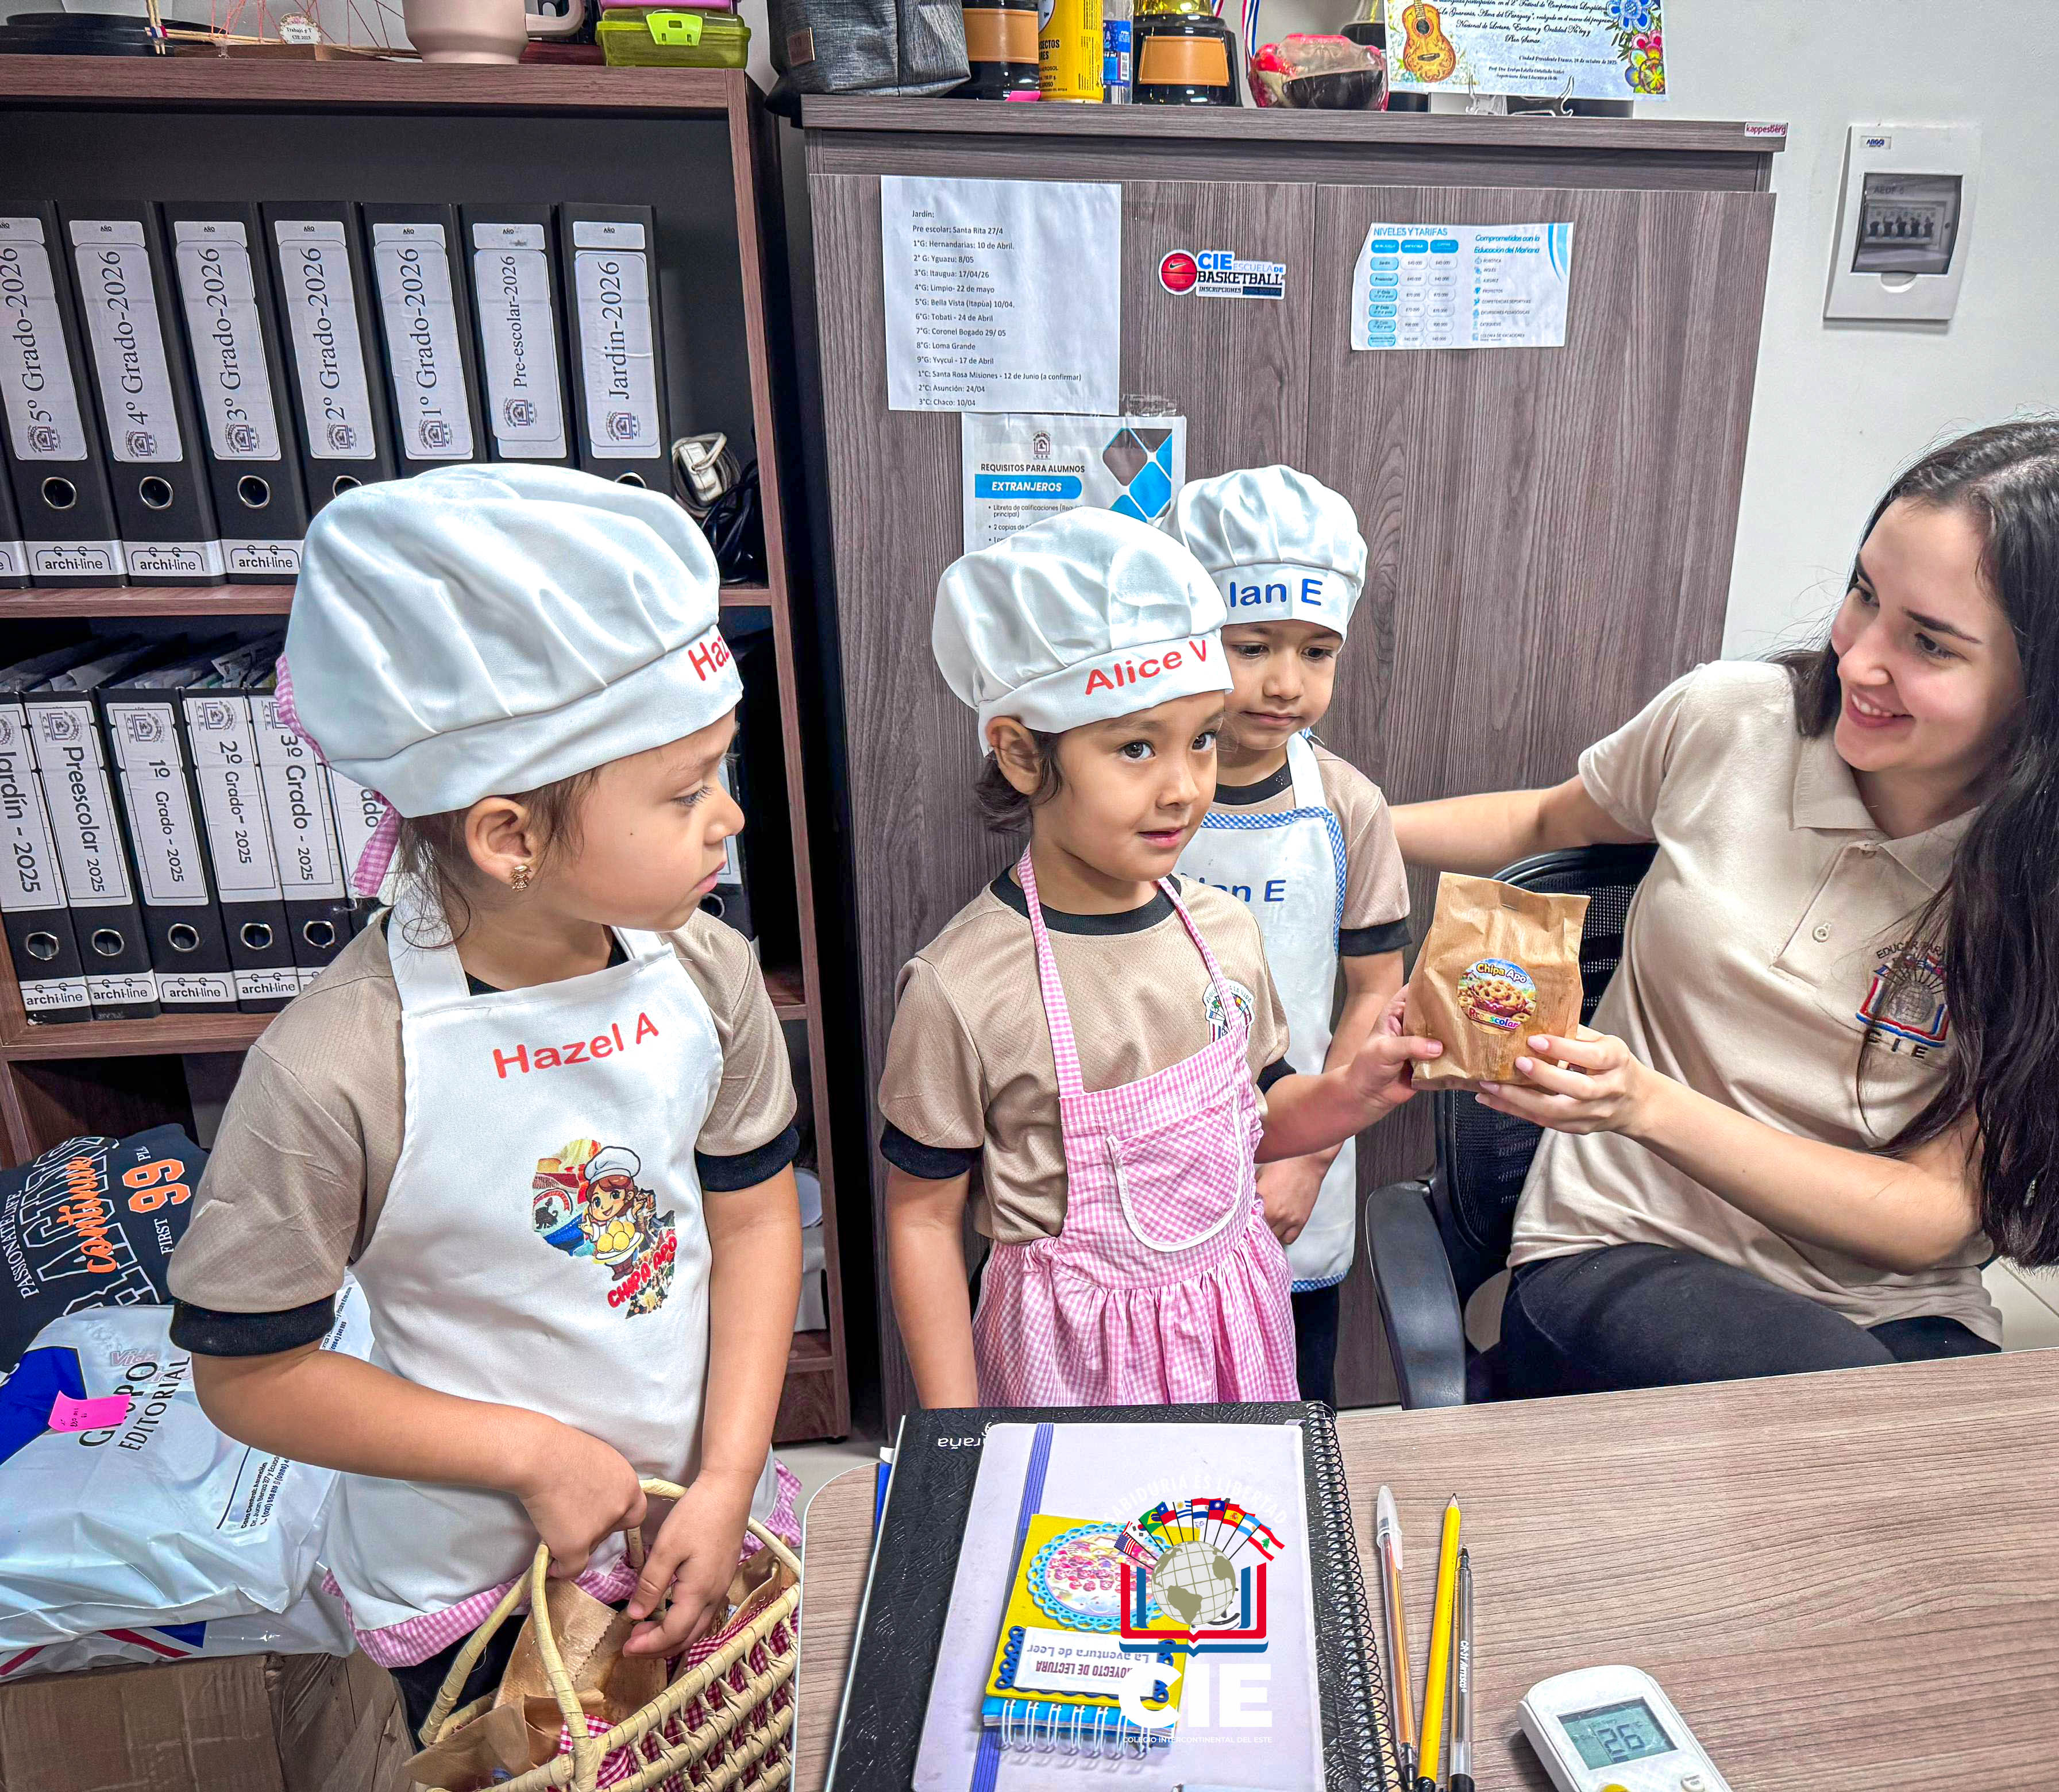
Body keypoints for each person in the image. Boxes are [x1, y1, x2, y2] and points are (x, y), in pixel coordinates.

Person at [165, 467, 807, 1735]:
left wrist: (729, 1471)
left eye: (719, 771)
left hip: (693, 1509)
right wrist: (533, 1455)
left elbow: (751, 1216)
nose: (730, 818)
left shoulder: (707, 970)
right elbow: (252, 1376)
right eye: (685, 791)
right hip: (476, 1584)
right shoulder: (336, 1067)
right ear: (511, 837)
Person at [1394, 419, 2059, 1393]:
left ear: (2058, 688)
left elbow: (1931, 1218)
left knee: (1918, 1445)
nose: (1858, 661)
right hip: (1624, 1245)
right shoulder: (1729, 722)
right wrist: (1333, 823)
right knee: (1860, 1429)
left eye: (1929, 644)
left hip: (1892, 1309)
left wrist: (1645, 1101)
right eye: (1864, 594)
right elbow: (1540, 819)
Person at [877, 508, 1439, 1409]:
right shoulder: (964, 988)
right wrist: (956, 1437)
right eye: (1136, 748)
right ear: (1021, 754)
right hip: (1066, 1365)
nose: (1184, 788)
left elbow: (1257, 1118)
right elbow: (921, 1220)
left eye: (1201, 739)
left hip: (1236, 1333)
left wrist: (1355, 1092)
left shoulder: (1222, 934)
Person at [1171, 467, 1411, 1404]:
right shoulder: (1140, 796)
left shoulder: (1347, 807)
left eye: (1316, 652)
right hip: (1159, 1154)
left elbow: (1376, 989)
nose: (1285, 683)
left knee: (1289, 1402)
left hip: (1296, 1163)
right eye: (1251, 646)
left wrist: (1308, 1160)